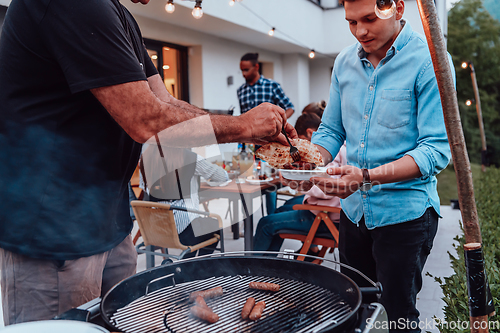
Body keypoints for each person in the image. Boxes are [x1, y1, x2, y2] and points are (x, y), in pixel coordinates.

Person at [0, 0, 296, 325]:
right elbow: (146, 120)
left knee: (124, 322)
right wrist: (243, 126)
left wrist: (247, 127)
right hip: (53, 231)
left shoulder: (118, 14)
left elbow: (165, 103)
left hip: (111, 220)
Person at [296, 0, 454, 331]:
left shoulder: (430, 61)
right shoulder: (343, 62)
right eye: (351, 22)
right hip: (354, 214)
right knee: (352, 308)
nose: (360, 31)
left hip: (405, 216)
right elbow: (331, 131)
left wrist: (365, 178)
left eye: (369, 19)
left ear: (397, 8)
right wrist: (306, 163)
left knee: (396, 316)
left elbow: (435, 150)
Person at [253, 145, 346, 254]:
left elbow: (328, 189)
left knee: (265, 224)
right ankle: (269, 264)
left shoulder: (334, 149)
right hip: (334, 213)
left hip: (326, 217)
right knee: (281, 210)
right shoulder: (349, 148)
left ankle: (252, 267)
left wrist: (298, 183)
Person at [139, 145, 229, 258]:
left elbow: (144, 187)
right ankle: (193, 268)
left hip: (154, 229)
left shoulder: (146, 157)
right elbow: (221, 176)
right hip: (184, 231)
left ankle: (186, 265)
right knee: (214, 225)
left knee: (203, 226)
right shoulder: (190, 157)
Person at [237, 52, 295, 119]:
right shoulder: (240, 90)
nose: (243, 74)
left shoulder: (272, 85)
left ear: (256, 67)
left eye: (246, 70)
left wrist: (278, 122)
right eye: (242, 70)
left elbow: (290, 108)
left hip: (269, 129)